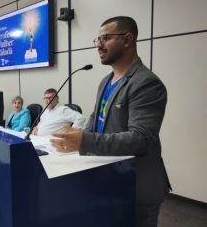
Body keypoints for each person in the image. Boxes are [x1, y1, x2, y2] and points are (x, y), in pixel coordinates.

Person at [50, 16, 171, 227]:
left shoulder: (146, 83)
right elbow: (95, 122)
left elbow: (141, 138)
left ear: (127, 39)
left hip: (136, 187)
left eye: (105, 38)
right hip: (108, 180)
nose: (98, 45)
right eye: (97, 39)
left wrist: (84, 141)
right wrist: (73, 142)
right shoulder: (105, 81)